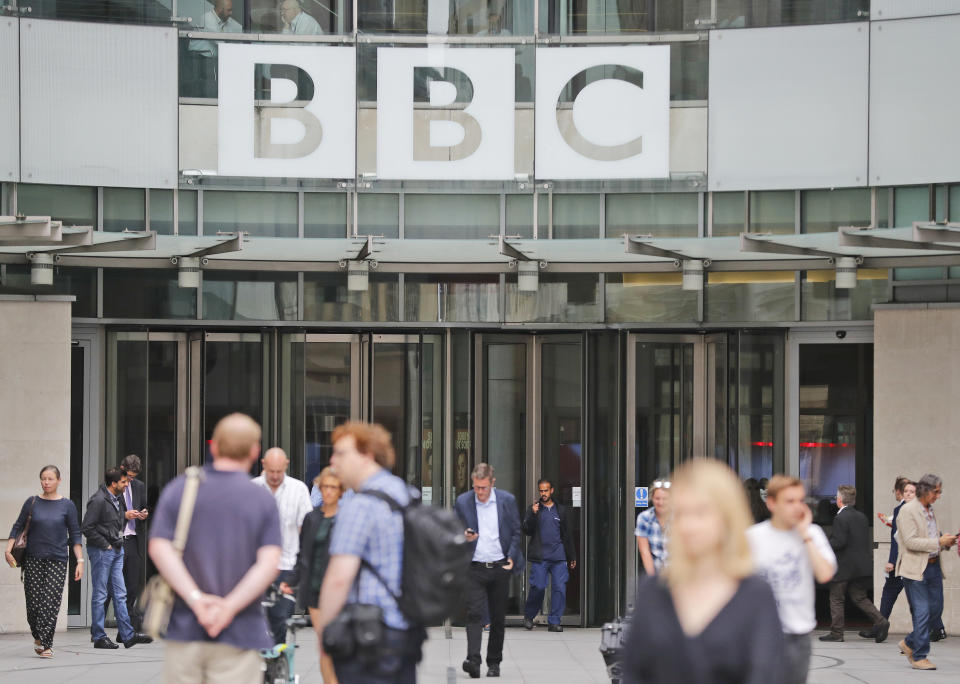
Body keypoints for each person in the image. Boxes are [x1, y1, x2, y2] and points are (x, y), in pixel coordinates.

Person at [622, 459, 786, 684]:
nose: (688, 525)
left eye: (701, 512)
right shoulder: (654, 591)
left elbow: (767, 675)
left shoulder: (755, 596)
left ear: (727, 518)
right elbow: (635, 673)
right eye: (680, 514)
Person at [149, 413, 282, 684]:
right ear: (256, 451)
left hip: (185, 629)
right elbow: (269, 563)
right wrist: (228, 608)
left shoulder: (180, 489)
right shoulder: (262, 500)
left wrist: (197, 601)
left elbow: (159, 547)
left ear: (214, 446)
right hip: (241, 633)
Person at [312, 422, 427, 683]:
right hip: (407, 631)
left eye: (341, 453)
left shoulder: (359, 505)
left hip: (369, 636)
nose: (333, 460)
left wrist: (327, 636)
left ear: (366, 455)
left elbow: (338, 578)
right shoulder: (405, 493)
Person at [748, 475, 837, 684]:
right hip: (759, 634)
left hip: (798, 635)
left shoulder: (813, 534)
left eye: (800, 500)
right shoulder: (753, 537)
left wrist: (804, 535)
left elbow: (825, 574)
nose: (797, 507)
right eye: (789, 501)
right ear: (771, 503)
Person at [5, 465, 84, 658]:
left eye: (50, 479)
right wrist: (8, 550)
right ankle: (38, 636)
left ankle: (47, 644)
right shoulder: (32, 502)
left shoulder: (67, 506)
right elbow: (17, 526)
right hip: (33, 558)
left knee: (50, 602)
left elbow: (75, 535)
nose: (46, 482)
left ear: (59, 481)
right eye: (43, 478)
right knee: (33, 605)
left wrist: (80, 560)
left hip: (57, 560)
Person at [454, 463, 523, 679]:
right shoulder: (463, 502)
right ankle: (473, 660)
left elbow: (516, 531)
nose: (480, 492)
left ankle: (494, 663)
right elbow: (454, 528)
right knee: (474, 614)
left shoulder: (506, 501)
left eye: (483, 488)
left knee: (497, 617)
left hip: (499, 565)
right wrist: (463, 535)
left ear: (492, 483)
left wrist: (510, 557)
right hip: (474, 566)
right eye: (476, 487)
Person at [279, 467, 343, 684]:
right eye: (324, 487)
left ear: (341, 491)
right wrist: (291, 580)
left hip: (340, 590)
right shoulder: (312, 518)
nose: (328, 492)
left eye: (333, 488)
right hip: (315, 589)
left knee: (339, 646)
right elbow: (303, 553)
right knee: (325, 645)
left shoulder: (348, 519)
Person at [81, 467, 152, 650]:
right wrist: (106, 544)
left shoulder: (117, 499)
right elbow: (87, 528)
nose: (126, 484)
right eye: (123, 482)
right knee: (101, 594)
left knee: (120, 594)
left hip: (116, 549)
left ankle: (127, 635)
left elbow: (117, 520)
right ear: (113, 484)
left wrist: (117, 538)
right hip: (102, 551)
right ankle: (98, 637)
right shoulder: (97, 500)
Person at [895, 473, 957, 671]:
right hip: (915, 569)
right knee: (922, 612)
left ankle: (909, 643)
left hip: (933, 566)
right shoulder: (907, 511)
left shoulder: (930, 510)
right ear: (926, 490)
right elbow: (911, 541)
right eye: (936, 492)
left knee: (935, 611)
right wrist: (938, 542)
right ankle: (920, 656)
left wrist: (946, 542)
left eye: (939, 492)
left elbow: (931, 537)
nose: (938, 496)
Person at [252, 447, 313, 645]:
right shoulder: (252, 489)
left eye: (279, 471)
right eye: (271, 471)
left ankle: (276, 662)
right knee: (257, 618)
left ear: (286, 464)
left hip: (287, 565)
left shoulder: (298, 489)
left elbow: (305, 526)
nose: (276, 476)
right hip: (257, 566)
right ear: (263, 465)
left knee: (280, 617)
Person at [820, 485, 889, 643]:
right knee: (859, 597)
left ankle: (837, 633)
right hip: (861, 566)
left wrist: (824, 544)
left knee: (836, 598)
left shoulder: (840, 518)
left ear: (839, 500)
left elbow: (839, 542)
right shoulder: (862, 517)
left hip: (844, 566)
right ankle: (881, 621)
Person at [861, 477, 915, 639]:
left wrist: (891, 560)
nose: (908, 494)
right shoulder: (911, 510)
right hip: (907, 561)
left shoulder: (906, 510)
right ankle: (934, 628)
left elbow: (897, 539)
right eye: (906, 491)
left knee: (895, 594)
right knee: (905, 595)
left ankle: (880, 626)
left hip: (905, 562)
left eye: (911, 491)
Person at [522, 478, 575, 633]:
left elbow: (567, 535)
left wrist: (572, 556)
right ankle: (529, 616)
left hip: (559, 557)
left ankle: (554, 622)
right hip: (540, 557)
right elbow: (526, 530)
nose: (543, 493)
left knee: (559, 589)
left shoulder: (561, 510)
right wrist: (532, 514)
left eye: (546, 490)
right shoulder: (534, 509)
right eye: (541, 491)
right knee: (538, 587)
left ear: (552, 490)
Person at [116, 454, 149, 632]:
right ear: (122, 469)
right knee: (111, 583)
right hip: (118, 539)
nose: (131, 480)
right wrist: (125, 515)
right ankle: (99, 627)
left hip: (135, 539)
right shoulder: (113, 485)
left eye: (133, 477)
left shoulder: (139, 486)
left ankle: (128, 621)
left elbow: (144, 506)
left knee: (133, 582)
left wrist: (144, 514)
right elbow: (106, 514)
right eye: (129, 476)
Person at [635, 479, 670, 576]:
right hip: (656, 572)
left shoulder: (680, 517)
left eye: (665, 499)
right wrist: (653, 579)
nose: (661, 502)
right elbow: (645, 551)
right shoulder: (644, 518)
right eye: (657, 498)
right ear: (652, 498)